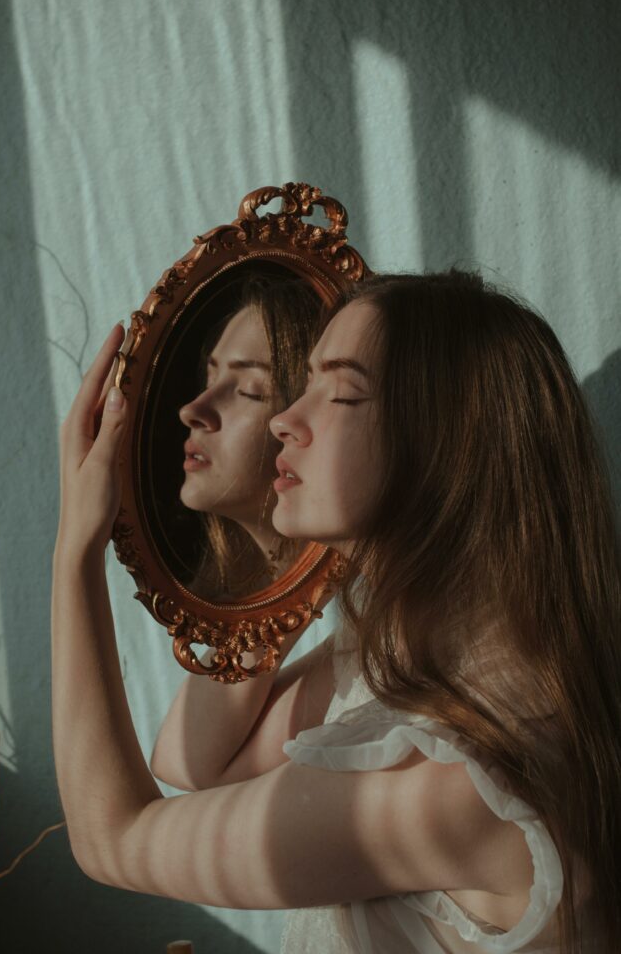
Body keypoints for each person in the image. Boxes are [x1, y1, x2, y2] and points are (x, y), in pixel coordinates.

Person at [52, 269, 620, 953]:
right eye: (303, 384)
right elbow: (196, 762)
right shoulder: (422, 656)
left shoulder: (448, 779)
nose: (287, 420)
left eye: (341, 393)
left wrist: (73, 552)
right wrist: (278, 552)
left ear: (443, 448)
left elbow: (112, 839)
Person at [176, 270, 322, 600]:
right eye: (210, 381)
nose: (192, 410)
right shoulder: (216, 613)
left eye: (249, 391)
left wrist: (77, 547)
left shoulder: (345, 626)